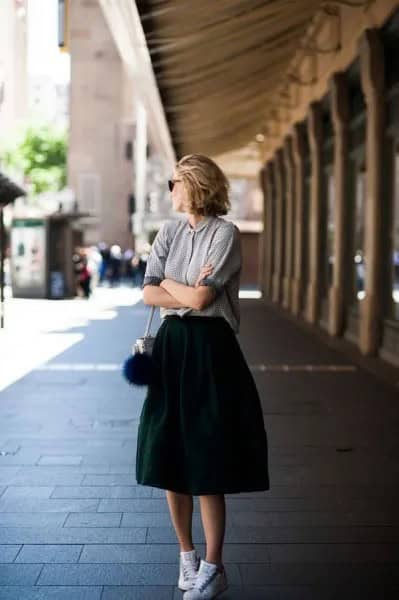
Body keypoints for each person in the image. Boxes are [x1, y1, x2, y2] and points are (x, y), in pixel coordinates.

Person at [136, 153, 270, 599]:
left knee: (208, 455)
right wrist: (183, 287)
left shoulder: (226, 234)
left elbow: (199, 301)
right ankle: (186, 557)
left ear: (193, 185)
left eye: (174, 182)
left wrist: (172, 287)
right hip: (173, 348)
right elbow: (149, 292)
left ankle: (215, 566)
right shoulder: (169, 232)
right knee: (169, 452)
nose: (169, 190)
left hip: (212, 350)